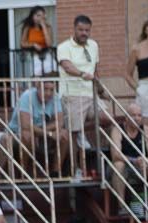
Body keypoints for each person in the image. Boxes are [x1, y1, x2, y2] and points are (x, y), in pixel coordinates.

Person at [57, 15, 99, 156]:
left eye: (87, 30)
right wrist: (82, 74)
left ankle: (81, 130)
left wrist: (100, 89)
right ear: (74, 29)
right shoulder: (64, 47)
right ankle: (77, 170)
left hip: (90, 94)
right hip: (72, 94)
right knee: (73, 134)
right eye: (81, 30)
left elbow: (95, 69)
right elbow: (67, 67)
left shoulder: (93, 45)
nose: (84, 33)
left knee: (106, 117)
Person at [11, 76, 70, 175]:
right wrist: (50, 133)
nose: (48, 93)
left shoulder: (55, 97)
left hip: (40, 132)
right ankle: (23, 173)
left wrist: (41, 132)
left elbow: (60, 122)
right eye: (45, 89)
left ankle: (56, 172)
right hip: (17, 132)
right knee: (27, 135)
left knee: (64, 134)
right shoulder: (27, 96)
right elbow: (25, 125)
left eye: (51, 90)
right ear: (37, 87)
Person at [109, 101, 148, 207]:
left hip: (141, 165)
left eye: (139, 115)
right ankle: (122, 206)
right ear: (126, 117)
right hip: (125, 165)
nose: (137, 118)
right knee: (118, 164)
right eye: (133, 115)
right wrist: (133, 160)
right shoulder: (117, 130)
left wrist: (146, 160)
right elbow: (116, 154)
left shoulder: (147, 130)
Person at [20, 5, 56, 77]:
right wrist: (33, 44)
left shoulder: (48, 27)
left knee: (51, 78)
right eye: (38, 15)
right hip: (35, 56)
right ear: (33, 16)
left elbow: (49, 44)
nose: (40, 18)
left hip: (47, 55)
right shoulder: (28, 27)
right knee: (37, 80)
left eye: (42, 16)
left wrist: (43, 26)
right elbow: (22, 43)